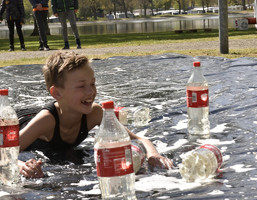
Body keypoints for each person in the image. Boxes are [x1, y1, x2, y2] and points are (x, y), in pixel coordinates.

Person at [17, 51, 173, 178]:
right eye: (81, 86)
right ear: (56, 92)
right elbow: (4, 152)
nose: (91, 92)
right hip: (21, 122)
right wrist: (20, 165)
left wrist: (153, 155)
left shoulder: (95, 113)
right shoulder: (46, 120)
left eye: (92, 83)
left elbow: (139, 139)